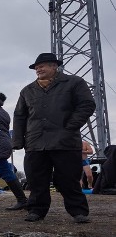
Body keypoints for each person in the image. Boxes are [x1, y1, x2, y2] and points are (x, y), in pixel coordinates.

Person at [13, 52, 96, 223]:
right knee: (36, 179)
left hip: (65, 141)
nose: (38, 68)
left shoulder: (74, 83)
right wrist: (18, 140)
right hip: (35, 142)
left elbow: (87, 104)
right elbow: (19, 116)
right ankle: (36, 210)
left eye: (42, 65)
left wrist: (70, 126)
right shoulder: (27, 90)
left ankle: (78, 212)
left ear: (54, 66)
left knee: (68, 178)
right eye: (36, 67)